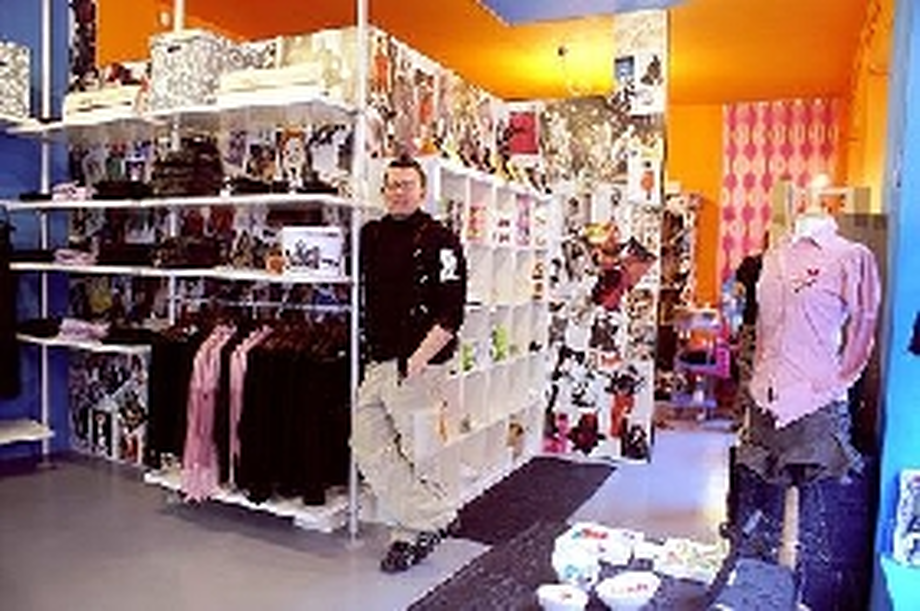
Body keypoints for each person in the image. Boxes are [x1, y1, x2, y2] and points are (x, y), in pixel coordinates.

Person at [354, 155, 467, 573]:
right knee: (367, 444)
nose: (398, 192)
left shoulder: (442, 239)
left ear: (422, 190)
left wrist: (417, 360)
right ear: (383, 190)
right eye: (392, 185)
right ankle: (438, 517)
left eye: (407, 184)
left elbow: (452, 313)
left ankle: (409, 534)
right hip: (377, 362)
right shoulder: (370, 235)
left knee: (421, 454)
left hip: (418, 366)